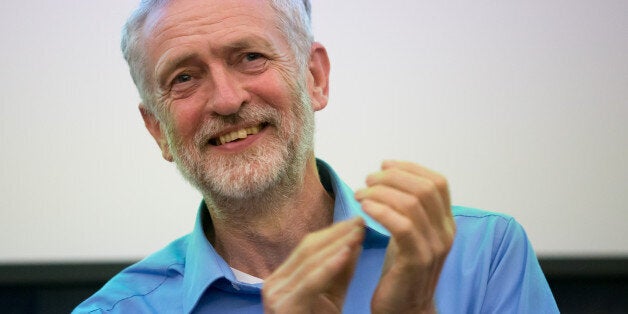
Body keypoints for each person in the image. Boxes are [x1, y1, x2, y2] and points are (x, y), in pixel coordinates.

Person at [74, 0, 558, 313]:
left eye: (250, 57)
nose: (225, 100)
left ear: (315, 78)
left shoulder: (480, 255)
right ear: (158, 130)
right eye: (184, 77)